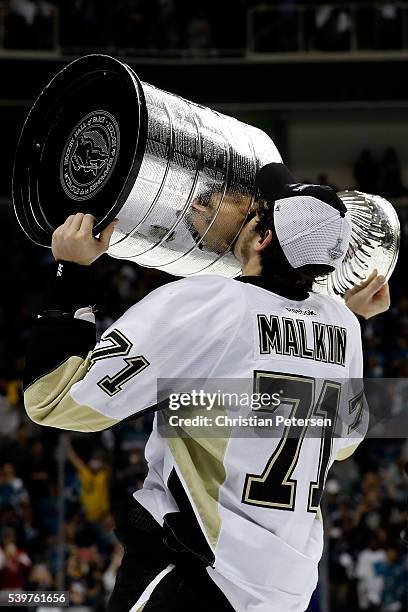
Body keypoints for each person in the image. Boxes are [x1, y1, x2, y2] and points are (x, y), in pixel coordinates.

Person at [22, 164, 390, 611]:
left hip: (198, 574)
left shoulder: (210, 303)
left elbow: (54, 402)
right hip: (285, 592)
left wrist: (72, 273)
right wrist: (347, 323)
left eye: (257, 212)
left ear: (263, 239)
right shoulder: (344, 327)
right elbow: (344, 444)